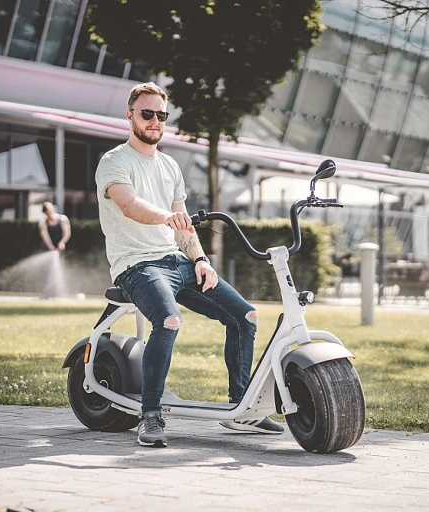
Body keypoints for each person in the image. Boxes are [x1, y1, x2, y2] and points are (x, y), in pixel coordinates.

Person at [95, 82, 284, 448]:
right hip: (137, 265)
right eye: (147, 113)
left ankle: (241, 409)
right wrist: (167, 217)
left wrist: (199, 259)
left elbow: (183, 221)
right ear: (130, 115)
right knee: (168, 321)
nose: (154, 121)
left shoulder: (168, 165)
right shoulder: (114, 161)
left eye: (161, 115)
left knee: (245, 316)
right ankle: (150, 415)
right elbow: (130, 204)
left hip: (177, 262)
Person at [38, 202, 71, 297]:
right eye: (47, 212)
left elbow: (67, 233)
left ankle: (57, 293)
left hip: (59, 248)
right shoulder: (43, 222)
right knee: (45, 271)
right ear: (45, 213)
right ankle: (46, 294)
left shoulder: (62, 219)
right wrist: (51, 247)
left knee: (58, 271)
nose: (49, 213)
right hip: (47, 249)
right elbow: (46, 237)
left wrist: (62, 243)